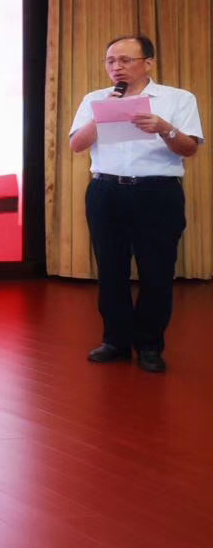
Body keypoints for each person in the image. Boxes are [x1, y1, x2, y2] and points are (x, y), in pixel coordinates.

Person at [68, 34, 202, 373]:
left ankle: (150, 345)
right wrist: (102, 117)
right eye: (111, 61)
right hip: (106, 191)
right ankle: (115, 340)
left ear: (148, 63)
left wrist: (165, 128)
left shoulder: (177, 98)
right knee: (110, 269)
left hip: (157, 193)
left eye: (125, 60)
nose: (117, 67)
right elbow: (76, 145)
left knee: (157, 271)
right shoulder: (94, 99)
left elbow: (189, 148)